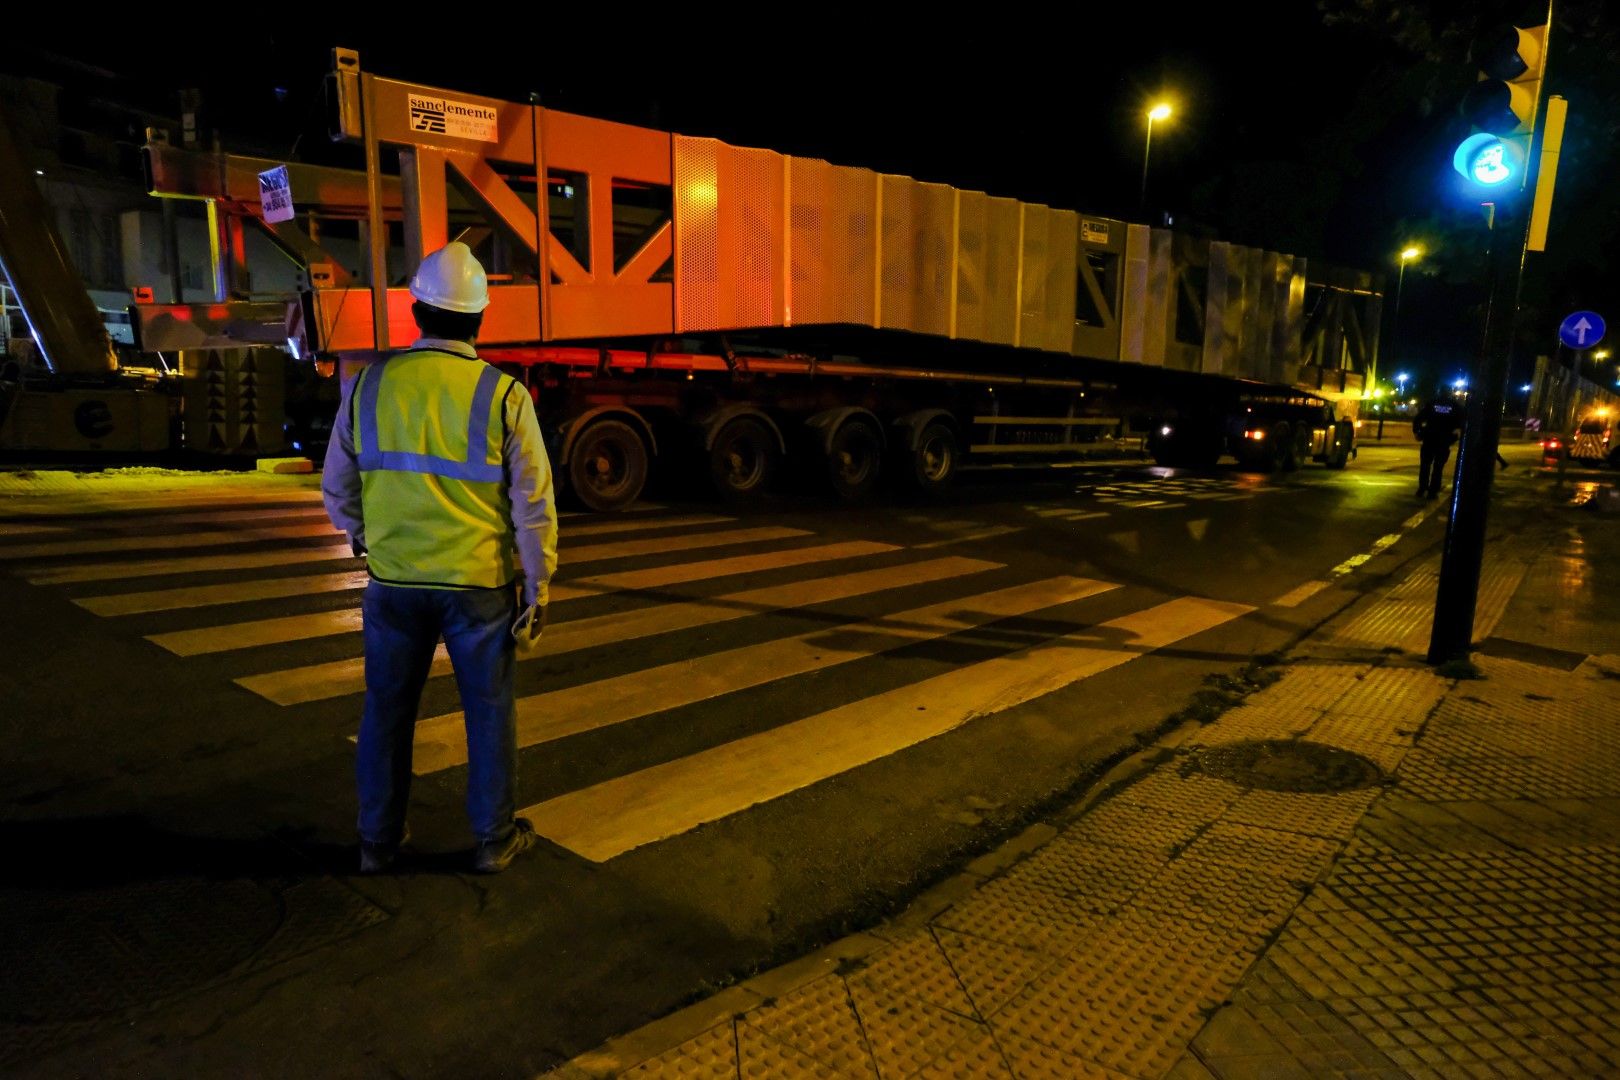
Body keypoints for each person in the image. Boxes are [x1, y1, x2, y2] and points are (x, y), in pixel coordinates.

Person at [322, 241, 558, 875]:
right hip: (477, 588)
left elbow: (337, 487)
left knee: (387, 713)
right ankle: (493, 840)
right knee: (487, 715)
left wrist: (365, 538)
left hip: (394, 584)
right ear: (479, 318)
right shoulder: (506, 396)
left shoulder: (369, 384)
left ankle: (377, 843)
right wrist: (538, 583)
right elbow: (533, 503)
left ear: (418, 310)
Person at [1412, 389, 1463, 498]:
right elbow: (1461, 422)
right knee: (1438, 468)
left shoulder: (1432, 403)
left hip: (1429, 438)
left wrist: (1418, 432)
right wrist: (1454, 436)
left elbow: (1418, 419)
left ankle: (1422, 488)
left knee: (1425, 466)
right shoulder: (1454, 406)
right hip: (1444, 440)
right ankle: (1433, 491)